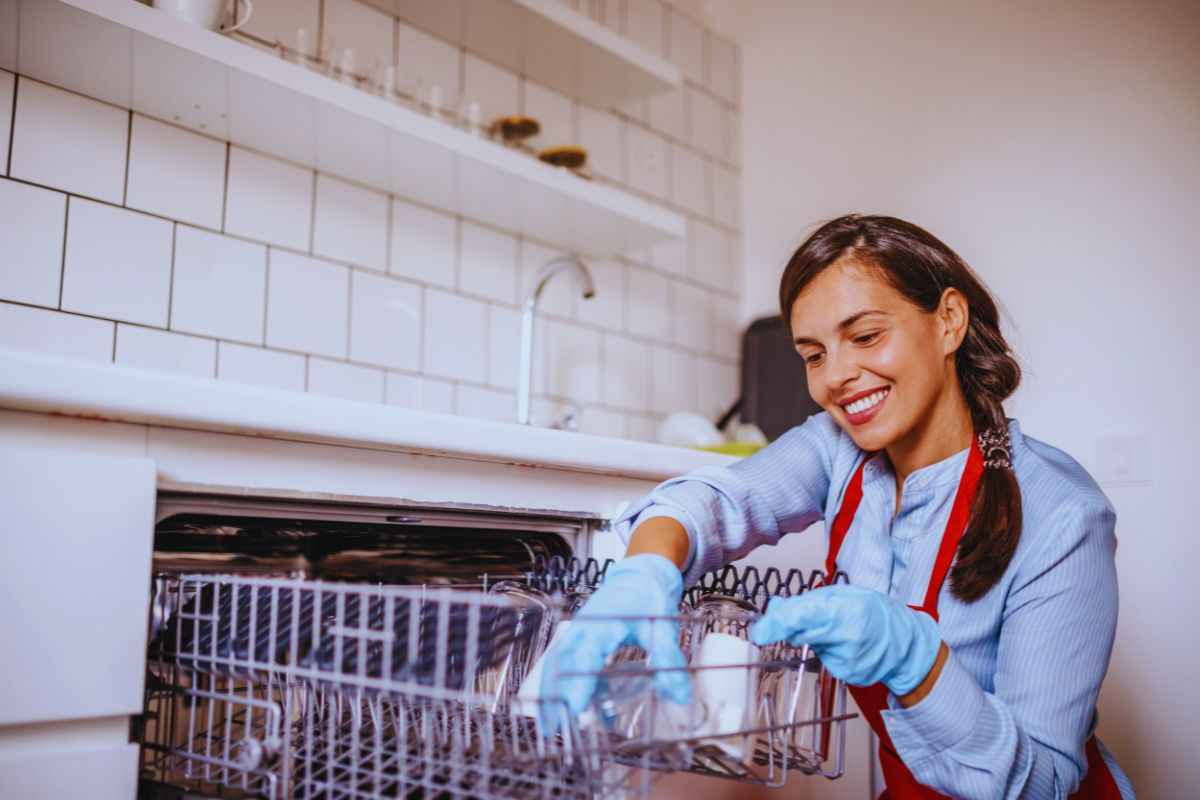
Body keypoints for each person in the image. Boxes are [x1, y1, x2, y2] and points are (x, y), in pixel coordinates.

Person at [540, 215, 1134, 799]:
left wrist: (916, 661)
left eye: (866, 336)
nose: (839, 376)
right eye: (814, 355)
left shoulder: (1062, 513)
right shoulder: (836, 449)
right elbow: (715, 500)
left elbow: (1045, 783)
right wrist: (647, 569)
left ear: (949, 320)